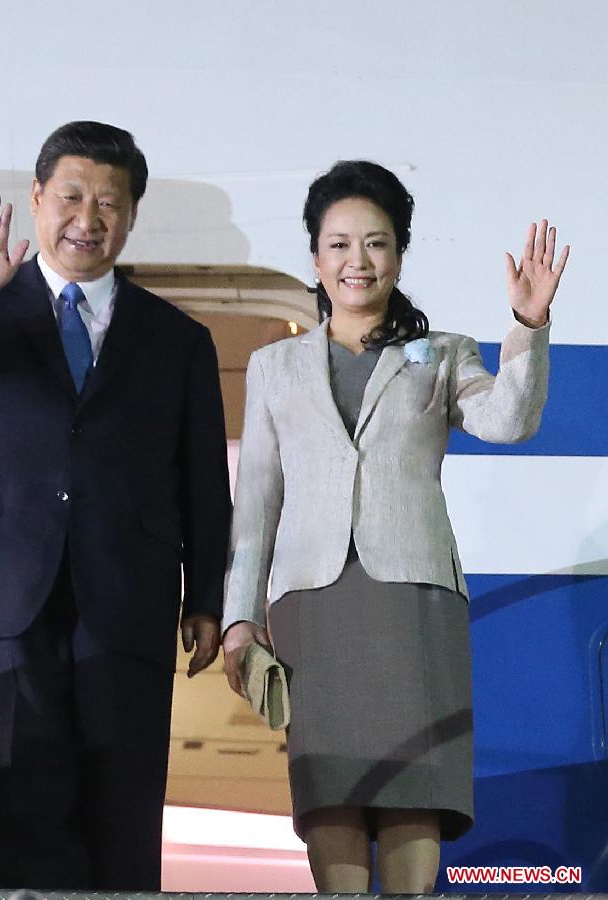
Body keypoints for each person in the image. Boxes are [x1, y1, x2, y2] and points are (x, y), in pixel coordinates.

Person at [0, 121, 232, 892]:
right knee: (12, 811)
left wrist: (207, 596)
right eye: (70, 196)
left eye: (109, 202)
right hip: (2, 597)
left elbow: (204, 482)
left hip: (126, 600)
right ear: (37, 199)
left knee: (122, 819)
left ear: (132, 215)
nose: (88, 218)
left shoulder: (177, 339)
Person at [222, 160, 568, 893]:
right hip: (311, 603)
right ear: (314, 257)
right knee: (330, 796)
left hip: (412, 598)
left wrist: (527, 324)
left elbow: (508, 421)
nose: (357, 261)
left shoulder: (440, 353)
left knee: (416, 787)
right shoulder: (273, 366)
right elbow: (254, 504)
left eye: (375, 243)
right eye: (339, 243)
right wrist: (238, 620)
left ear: (399, 253)